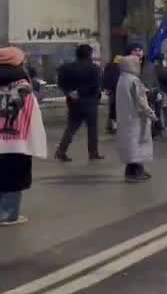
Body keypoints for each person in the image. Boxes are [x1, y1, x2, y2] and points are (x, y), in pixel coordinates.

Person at [0, 47, 47, 226]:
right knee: (14, 176)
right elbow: (31, 115)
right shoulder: (23, 85)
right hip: (16, 142)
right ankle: (8, 214)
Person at [54, 43, 104, 162]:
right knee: (92, 129)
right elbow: (96, 86)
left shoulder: (67, 68)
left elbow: (61, 83)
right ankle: (93, 152)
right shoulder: (95, 69)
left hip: (73, 101)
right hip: (90, 101)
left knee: (71, 127)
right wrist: (97, 98)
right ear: (90, 54)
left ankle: (61, 151)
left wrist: (69, 92)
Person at [115, 54, 156, 182]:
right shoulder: (133, 81)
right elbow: (140, 100)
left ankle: (138, 170)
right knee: (137, 146)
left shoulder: (122, 79)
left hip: (125, 118)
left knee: (131, 146)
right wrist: (150, 113)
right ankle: (133, 173)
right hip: (136, 119)